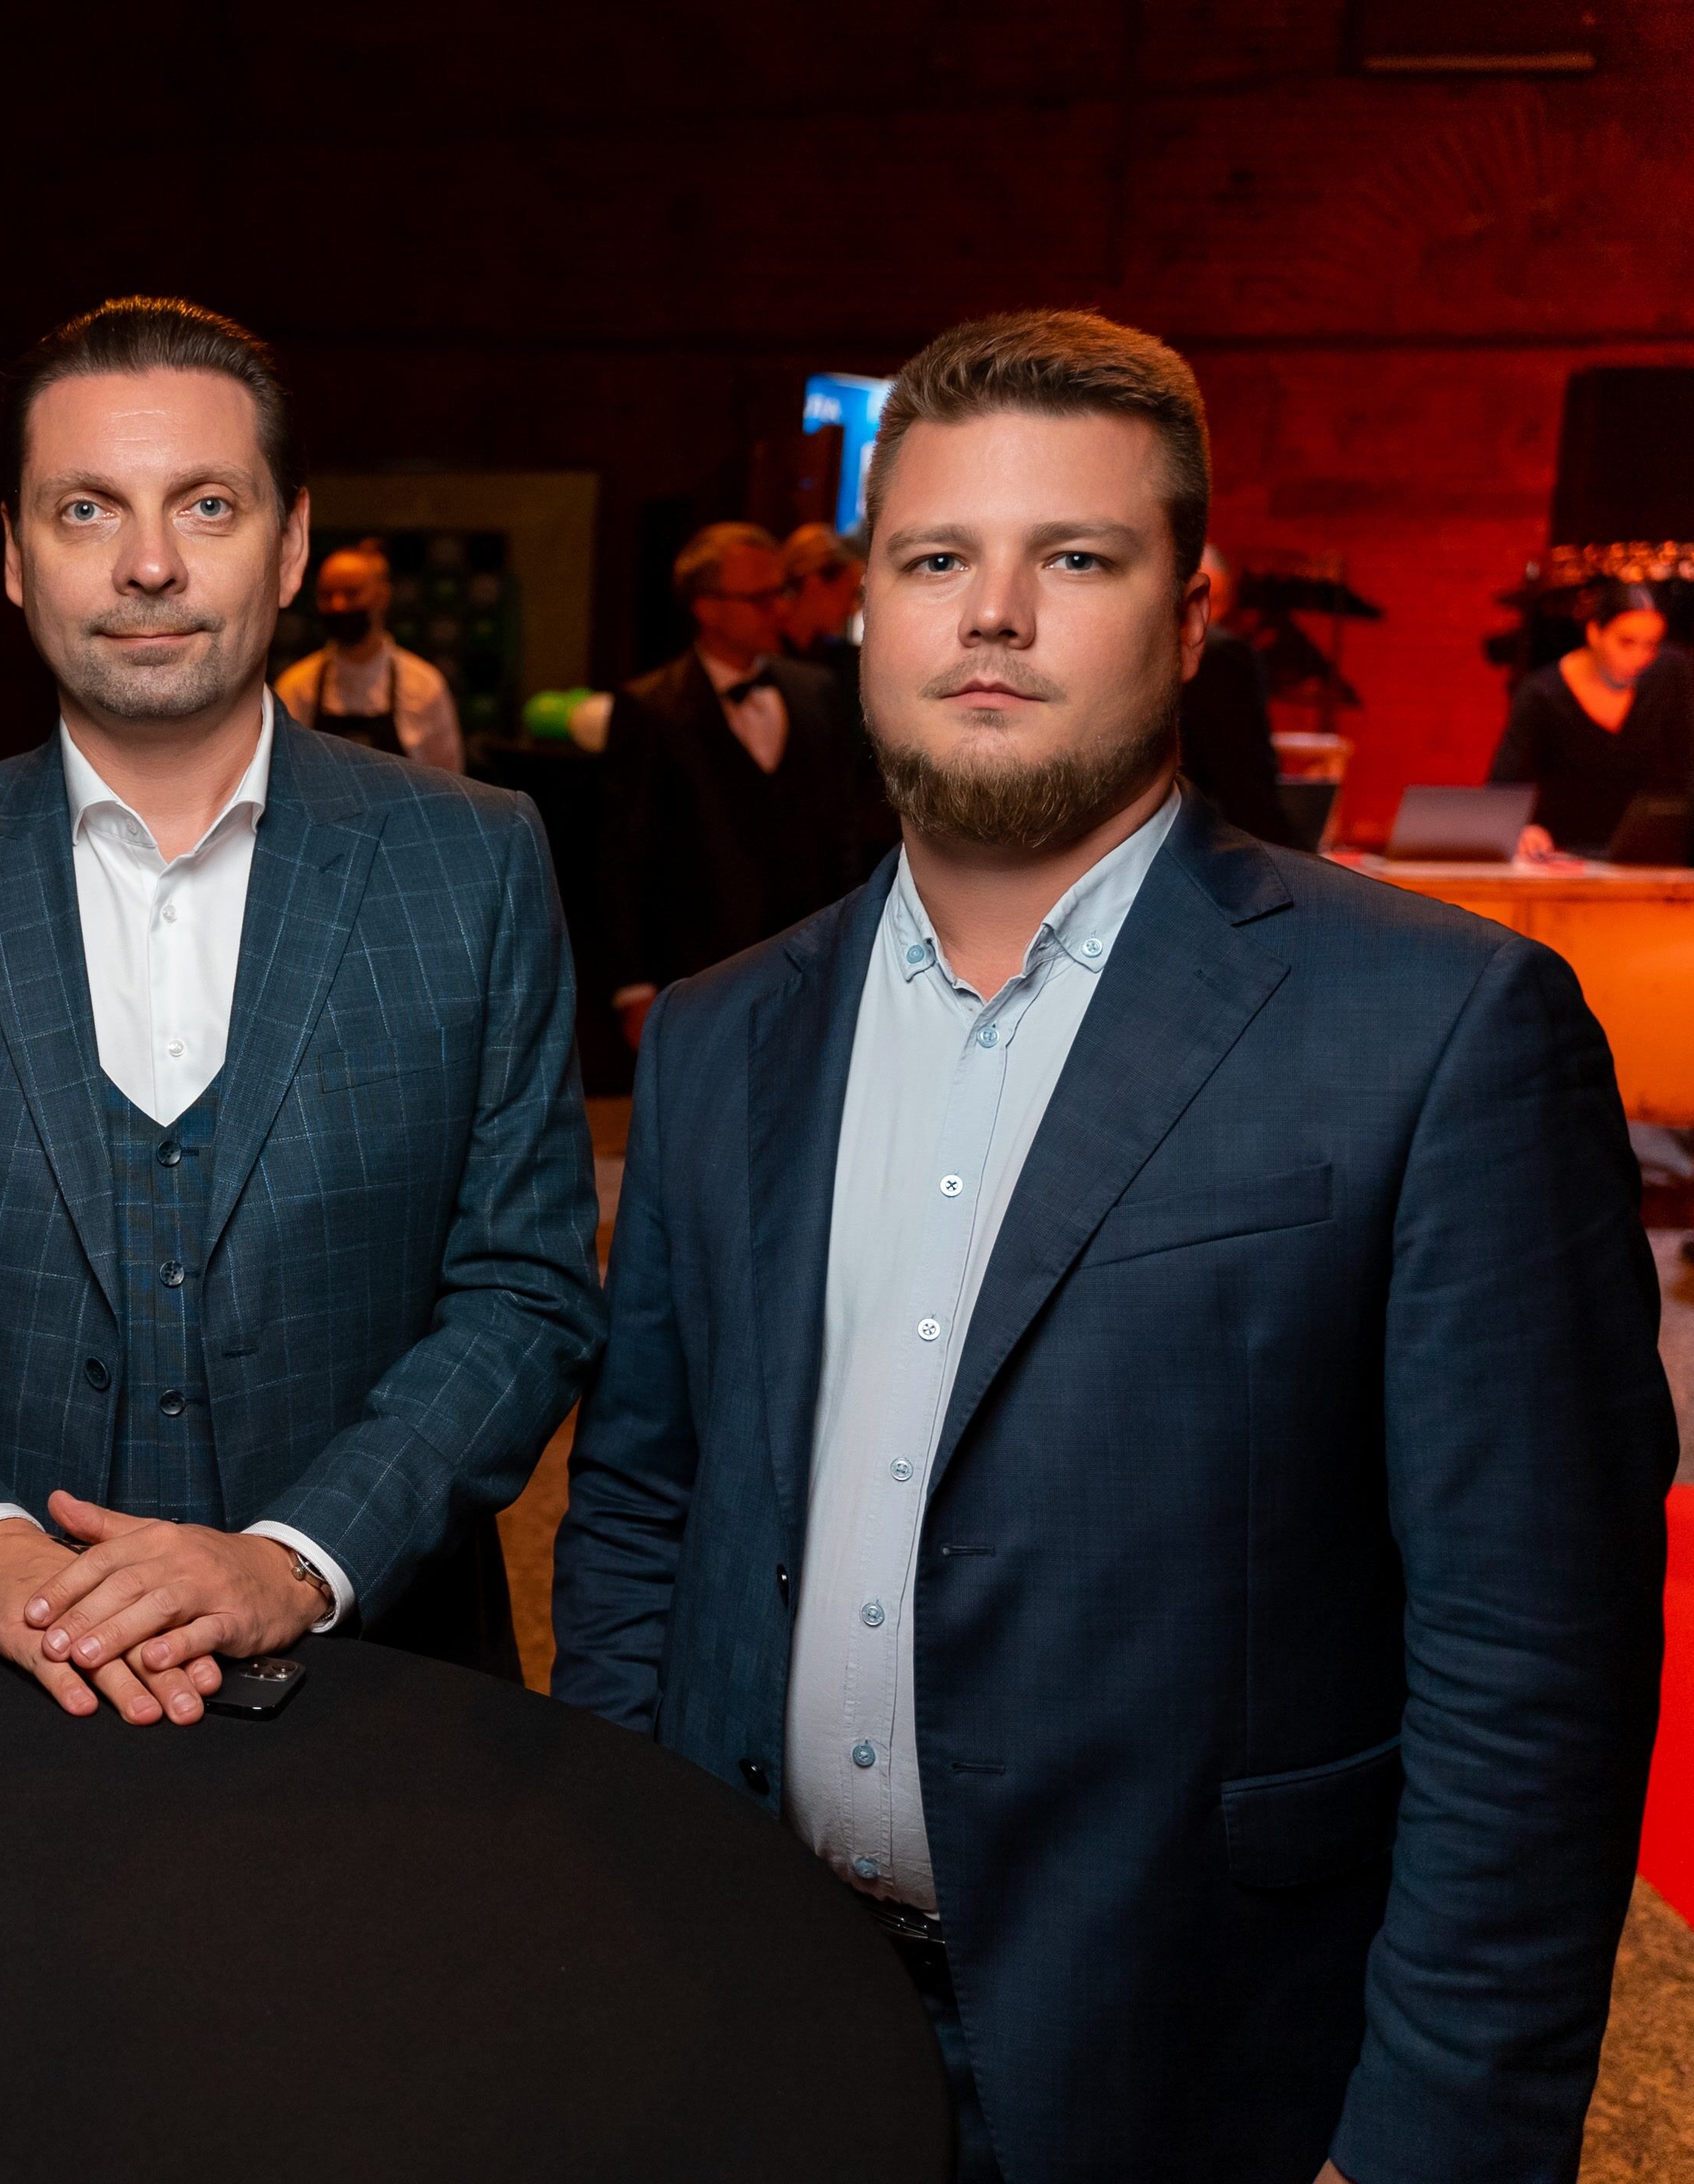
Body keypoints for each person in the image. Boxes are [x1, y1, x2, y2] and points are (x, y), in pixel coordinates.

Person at [553, 308, 1669, 2184]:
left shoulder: (1434, 1029)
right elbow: (641, 1507)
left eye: (1070, 558)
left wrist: (1429, 2144)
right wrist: (623, 1899)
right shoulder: (728, 1033)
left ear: (1190, 608)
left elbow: (1527, 1652)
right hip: (749, 2016)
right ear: (863, 608)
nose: (989, 614)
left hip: (1199, 2056)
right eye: (934, 559)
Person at [0, 298, 602, 1720]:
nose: (148, 564)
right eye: (87, 509)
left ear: (293, 543)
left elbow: (527, 1286)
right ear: (15, 556)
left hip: (381, 1697)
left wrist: (297, 1559)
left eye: (206, 504)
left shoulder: (473, 860)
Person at [603, 520, 884, 1046]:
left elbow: (841, 831)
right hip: (697, 972)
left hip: (810, 968)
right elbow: (625, 857)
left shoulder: (815, 690)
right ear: (707, 609)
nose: (779, 609)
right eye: (759, 598)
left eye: (781, 593)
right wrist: (633, 987)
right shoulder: (652, 706)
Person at [1490, 578, 1694, 857]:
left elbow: (1684, 770)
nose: (1640, 658)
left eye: (1651, 645)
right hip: (1562, 856)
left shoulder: (1672, 674)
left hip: (1651, 857)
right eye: (1626, 643)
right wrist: (1525, 829)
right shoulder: (1542, 694)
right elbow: (1504, 790)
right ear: (1595, 632)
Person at [273, 536, 466, 770]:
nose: (338, 605)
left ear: (383, 597)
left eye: (351, 593)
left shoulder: (424, 687)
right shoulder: (296, 686)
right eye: (327, 595)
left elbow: (449, 781)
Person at [1176, 544, 1303, 844]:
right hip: (1208, 847)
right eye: (1194, 600)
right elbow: (1247, 787)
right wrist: (1297, 862)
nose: (1204, 615)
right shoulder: (1221, 654)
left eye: (1214, 601)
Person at [779, 519, 864, 679]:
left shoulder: (844, 660)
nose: (852, 610)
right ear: (814, 584)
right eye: (848, 595)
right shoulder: (762, 656)